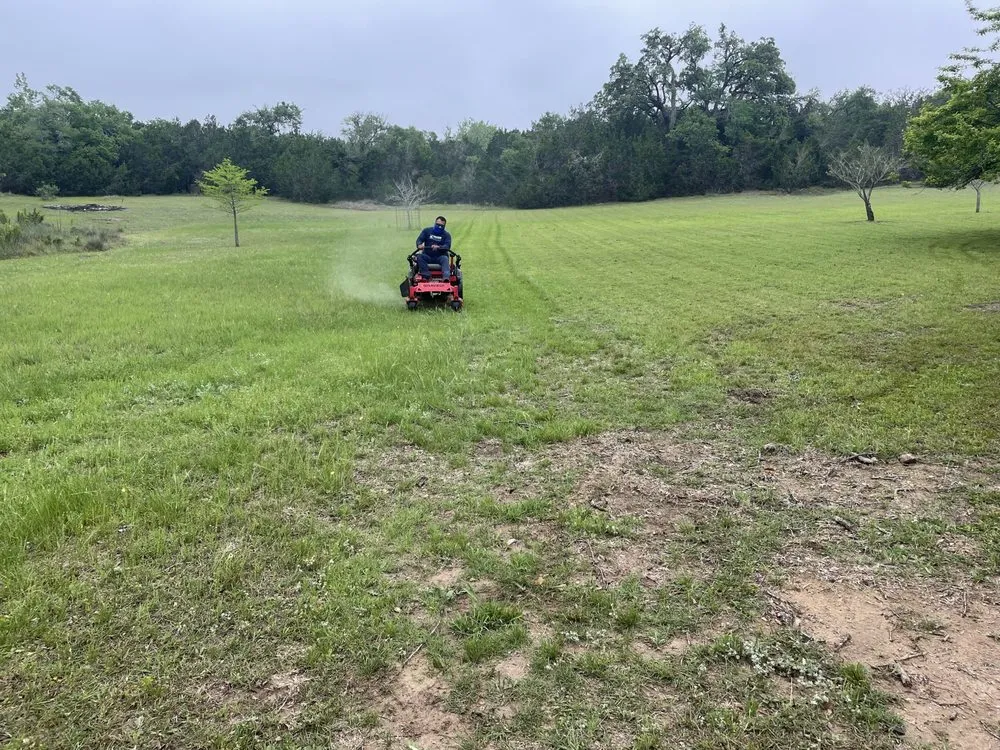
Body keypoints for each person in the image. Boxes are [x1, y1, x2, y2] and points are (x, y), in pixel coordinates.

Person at [415, 216, 452, 281]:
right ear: (435, 223)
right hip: (427, 256)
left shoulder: (447, 235)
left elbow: (447, 246)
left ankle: (446, 278)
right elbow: (419, 240)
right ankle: (426, 276)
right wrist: (419, 245)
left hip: (440, 257)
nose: (439, 227)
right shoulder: (426, 231)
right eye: (438, 225)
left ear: (444, 226)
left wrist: (439, 247)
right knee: (419, 257)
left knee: (445, 259)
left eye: (441, 226)